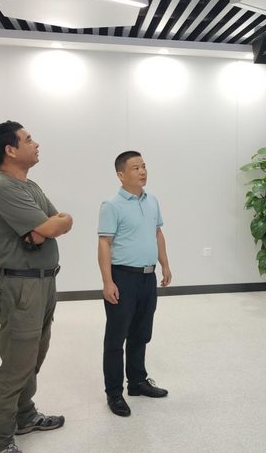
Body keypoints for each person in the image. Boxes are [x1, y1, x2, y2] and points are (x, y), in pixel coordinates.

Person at [0, 121, 73, 453]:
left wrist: (48, 227)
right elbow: (53, 226)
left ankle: (25, 417)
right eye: (28, 139)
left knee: (34, 357)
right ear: (10, 150)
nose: (36, 144)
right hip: (21, 286)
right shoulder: (2, 188)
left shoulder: (29, 185)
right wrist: (48, 227)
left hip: (45, 281)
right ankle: (2, 440)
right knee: (16, 365)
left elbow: (60, 222)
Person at [98, 150, 172, 417]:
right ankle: (114, 393)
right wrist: (107, 282)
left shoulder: (152, 201)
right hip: (123, 278)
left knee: (141, 333)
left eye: (144, 166)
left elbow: (157, 233)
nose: (142, 172)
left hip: (147, 277)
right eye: (135, 168)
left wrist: (165, 264)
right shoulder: (111, 205)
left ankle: (137, 382)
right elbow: (104, 244)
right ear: (121, 175)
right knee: (116, 338)